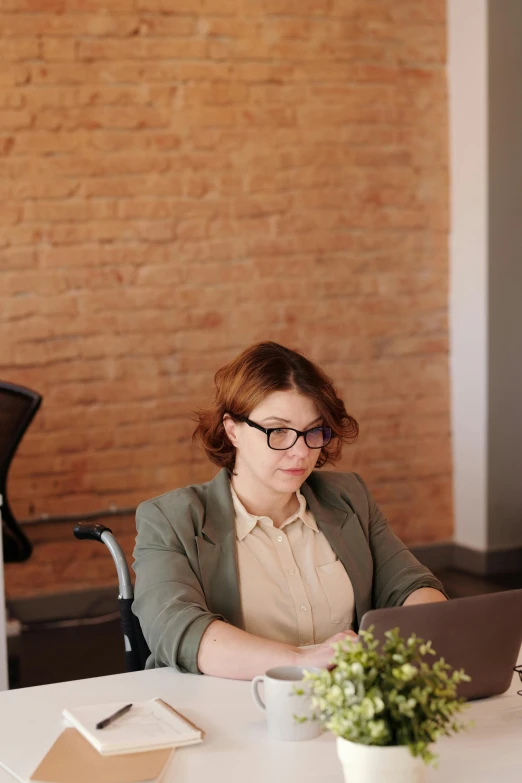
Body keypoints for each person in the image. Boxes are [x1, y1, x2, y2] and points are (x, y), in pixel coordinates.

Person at [132, 342, 447, 679]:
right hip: (228, 707)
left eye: (313, 431)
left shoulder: (349, 497)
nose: (300, 451)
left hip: (347, 705)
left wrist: (419, 638)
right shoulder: (170, 520)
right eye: (278, 431)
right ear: (232, 429)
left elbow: (411, 586)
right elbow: (178, 630)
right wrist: (300, 662)